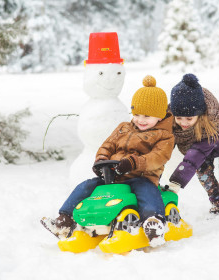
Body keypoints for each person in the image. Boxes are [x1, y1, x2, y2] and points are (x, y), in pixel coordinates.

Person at [41, 75, 174, 246]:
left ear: (160, 116)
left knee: (146, 191)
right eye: (137, 114)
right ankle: (65, 219)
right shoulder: (123, 128)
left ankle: (153, 222)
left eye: (147, 116)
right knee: (86, 186)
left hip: (141, 176)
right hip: (114, 175)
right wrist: (102, 159)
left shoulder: (164, 136)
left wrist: (135, 163)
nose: (141, 120)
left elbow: (158, 158)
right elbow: (108, 145)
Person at [165, 73, 219, 215]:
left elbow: (195, 156)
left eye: (189, 118)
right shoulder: (172, 120)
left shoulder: (211, 124)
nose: (183, 123)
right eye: (179, 117)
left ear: (199, 114)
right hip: (202, 146)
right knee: (203, 172)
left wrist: (176, 182)